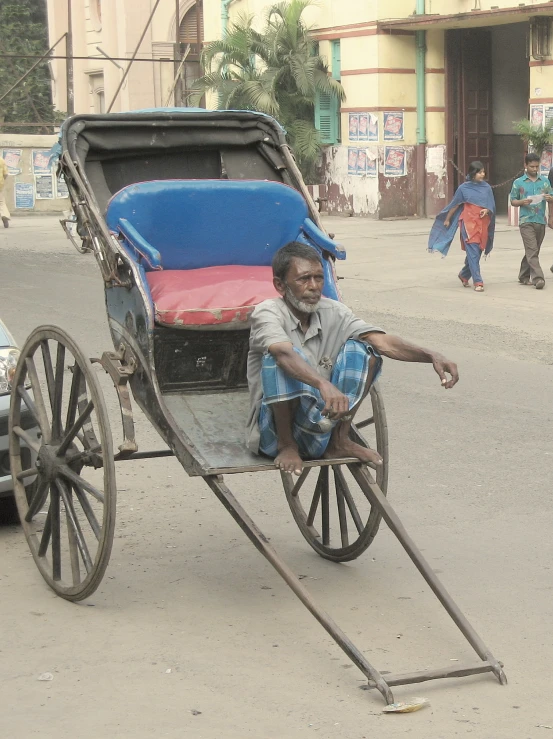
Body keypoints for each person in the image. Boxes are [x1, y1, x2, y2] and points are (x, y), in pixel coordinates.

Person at [246, 242, 459, 476]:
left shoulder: (334, 311)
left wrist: (430, 355)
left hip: (321, 423)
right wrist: (323, 384)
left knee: (363, 350)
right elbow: (283, 354)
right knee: (280, 357)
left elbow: (383, 341)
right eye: (304, 279)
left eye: (318, 278)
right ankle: (287, 445)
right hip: (274, 432)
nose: (314, 287)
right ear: (280, 285)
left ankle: (339, 441)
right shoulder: (267, 312)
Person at [428, 161, 495, 292]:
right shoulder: (463, 188)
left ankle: (464, 274)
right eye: (480, 172)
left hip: (483, 223)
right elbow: (455, 204)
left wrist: (487, 210)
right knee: (473, 251)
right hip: (468, 223)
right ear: (473, 173)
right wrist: (447, 219)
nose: (483, 174)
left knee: (478, 250)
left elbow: (491, 205)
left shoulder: (486, 187)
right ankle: (478, 281)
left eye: (483, 171)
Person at [510, 152, 553, 289]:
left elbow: (551, 198)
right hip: (526, 221)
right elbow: (513, 201)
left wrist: (551, 210)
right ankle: (538, 278)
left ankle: (523, 275)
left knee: (533, 250)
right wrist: (522, 201)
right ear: (525, 165)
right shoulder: (518, 182)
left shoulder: (545, 182)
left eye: (537, 166)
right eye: (532, 167)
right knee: (532, 250)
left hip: (540, 220)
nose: (535, 169)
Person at [0, 156, 10, 228]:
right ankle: (4, 215)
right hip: (0, 184)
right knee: (1, 202)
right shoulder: (1, 160)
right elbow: (6, 174)